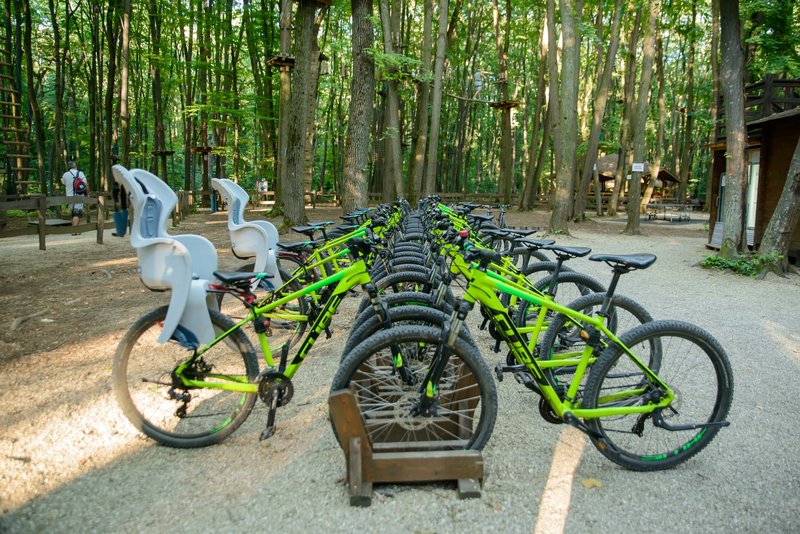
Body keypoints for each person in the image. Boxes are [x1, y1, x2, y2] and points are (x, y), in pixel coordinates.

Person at [61, 161, 88, 233]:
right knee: (77, 213)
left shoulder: (65, 175)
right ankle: (74, 230)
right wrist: (87, 194)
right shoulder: (80, 173)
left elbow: (63, 182)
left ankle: (76, 230)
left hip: (69, 196)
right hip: (79, 195)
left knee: (73, 212)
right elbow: (85, 183)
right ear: (75, 166)